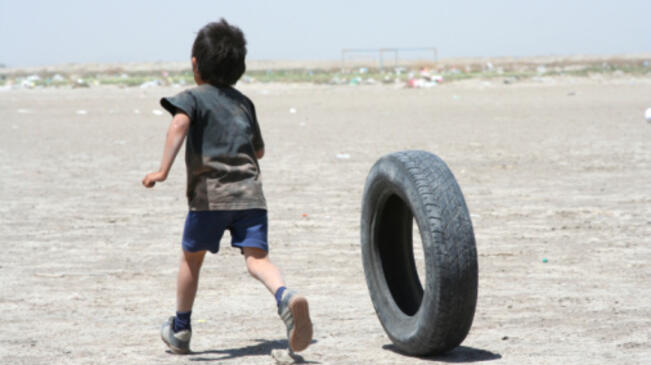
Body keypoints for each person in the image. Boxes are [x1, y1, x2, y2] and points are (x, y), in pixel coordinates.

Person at [142, 19, 312, 355]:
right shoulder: (243, 102)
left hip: (209, 198)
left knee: (191, 260)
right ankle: (284, 295)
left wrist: (163, 170)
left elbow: (178, 123)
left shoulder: (191, 98)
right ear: (239, 68)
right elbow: (258, 150)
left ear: (195, 65)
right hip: (251, 195)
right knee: (257, 260)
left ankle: (180, 329)